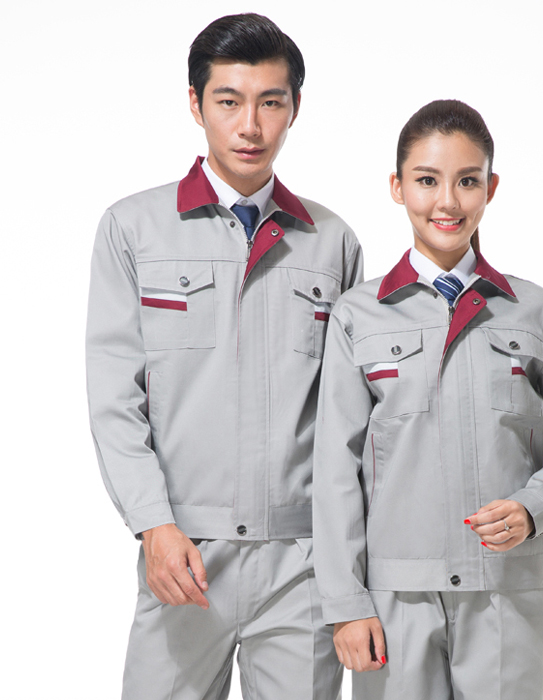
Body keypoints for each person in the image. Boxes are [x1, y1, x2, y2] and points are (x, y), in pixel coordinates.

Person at [86, 13, 362, 700]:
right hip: (183, 555)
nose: (250, 126)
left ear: (295, 107)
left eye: (271, 102)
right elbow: (114, 399)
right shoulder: (134, 229)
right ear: (195, 103)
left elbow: (353, 420)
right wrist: (154, 524)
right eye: (229, 101)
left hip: (302, 565)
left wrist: (349, 570)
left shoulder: (332, 243)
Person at [312, 99, 543, 699]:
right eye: (427, 181)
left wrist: (535, 506)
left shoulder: (533, 312)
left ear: (490, 188)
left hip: (505, 591)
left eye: (467, 181)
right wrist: (346, 604)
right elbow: (334, 468)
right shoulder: (358, 316)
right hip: (395, 600)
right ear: (397, 187)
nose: (447, 202)